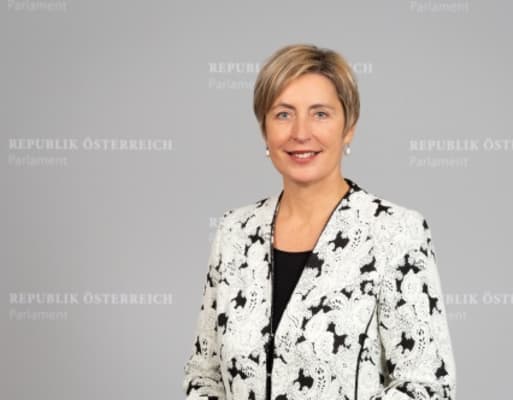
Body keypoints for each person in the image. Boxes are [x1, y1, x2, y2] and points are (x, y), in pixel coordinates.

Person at [182, 43, 457, 400]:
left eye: (320, 114)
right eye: (283, 114)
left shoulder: (396, 232)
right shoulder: (234, 232)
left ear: (349, 127)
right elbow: (204, 375)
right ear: (264, 129)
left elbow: (428, 388)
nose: (301, 132)